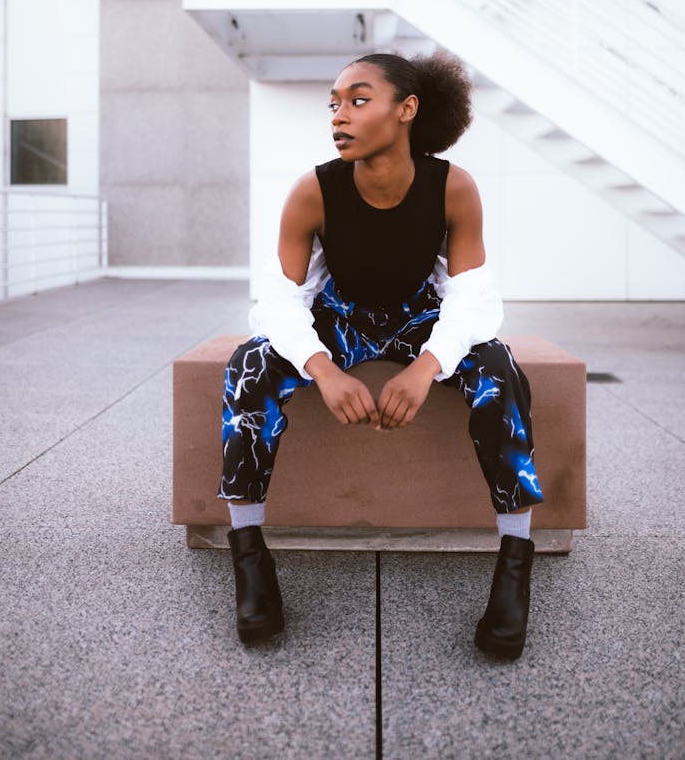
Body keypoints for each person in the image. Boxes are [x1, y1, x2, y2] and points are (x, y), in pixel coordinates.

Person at [219, 50, 544, 659]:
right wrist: (323, 369)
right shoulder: (313, 191)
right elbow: (278, 300)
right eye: (334, 104)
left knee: (501, 370)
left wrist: (428, 366)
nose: (339, 115)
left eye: (358, 100)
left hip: (419, 319)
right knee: (250, 366)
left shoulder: (454, 186)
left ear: (407, 110)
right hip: (340, 319)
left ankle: (514, 568)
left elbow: (473, 296)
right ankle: (251, 563)